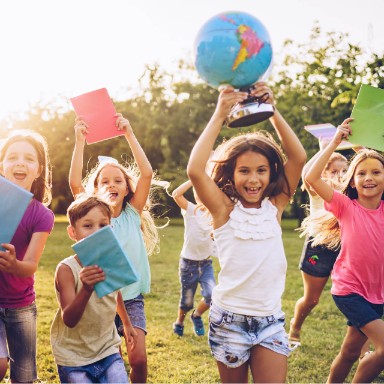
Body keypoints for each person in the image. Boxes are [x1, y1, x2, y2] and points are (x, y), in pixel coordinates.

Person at [187, 83, 307, 383]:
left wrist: (273, 110)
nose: (253, 179)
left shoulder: (275, 206)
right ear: (231, 173)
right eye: (244, 171)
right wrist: (219, 114)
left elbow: (298, 158)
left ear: (271, 173)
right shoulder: (223, 210)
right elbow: (195, 171)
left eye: (261, 170)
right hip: (229, 321)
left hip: (270, 321)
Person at [69, 113, 162, 383]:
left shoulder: (133, 213)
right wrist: (79, 141)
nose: (111, 184)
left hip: (131, 298)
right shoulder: (93, 217)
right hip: (102, 300)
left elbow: (146, 173)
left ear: (126, 187)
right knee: (114, 361)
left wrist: (128, 134)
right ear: (95, 189)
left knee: (139, 359)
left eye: (118, 180)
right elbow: (75, 182)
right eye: (104, 181)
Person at [305, 118, 384, 383]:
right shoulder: (345, 207)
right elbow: (311, 178)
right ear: (352, 181)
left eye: (376, 172)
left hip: (378, 295)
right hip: (349, 290)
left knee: (350, 352)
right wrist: (336, 142)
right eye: (361, 173)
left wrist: (367, 148)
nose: (369, 178)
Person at [50, 194, 137, 383]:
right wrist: (87, 288)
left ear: (111, 229)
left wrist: (127, 323)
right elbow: (70, 319)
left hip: (107, 350)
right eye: (88, 226)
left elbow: (115, 293)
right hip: (73, 357)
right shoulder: (66, 269)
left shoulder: (111, 261)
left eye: (103, 226)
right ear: (72, 232)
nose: (96, 231)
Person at [0, 130, 55, 383]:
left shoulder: (42, 215)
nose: (20, 162)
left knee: (23, 378)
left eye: (29, 158)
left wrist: (13, 265)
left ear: (39, 170)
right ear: (2, 165)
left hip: (21, 305)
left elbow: (30, 265)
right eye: (12, 157)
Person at [289, 139, 348, 346]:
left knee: (357, 299)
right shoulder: (317, 188)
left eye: (344, 170)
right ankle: (295, 325)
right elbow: (307, 173)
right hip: (319, 247)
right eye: (334, 171)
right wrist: (325, 149)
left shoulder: (352, 192)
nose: (339, 175)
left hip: (347, 247)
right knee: (312, 299)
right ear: (324, 172)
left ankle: (360, 348)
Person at [172, 179, 216, 337]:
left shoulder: (216, 213)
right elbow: (176, 194)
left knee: (212, 295)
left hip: (205, 264)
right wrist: (193, 179)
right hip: (188, 264)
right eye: (200, 190)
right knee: (187, 301)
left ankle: (196, 315)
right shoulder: (191, 209)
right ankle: (179, 322)